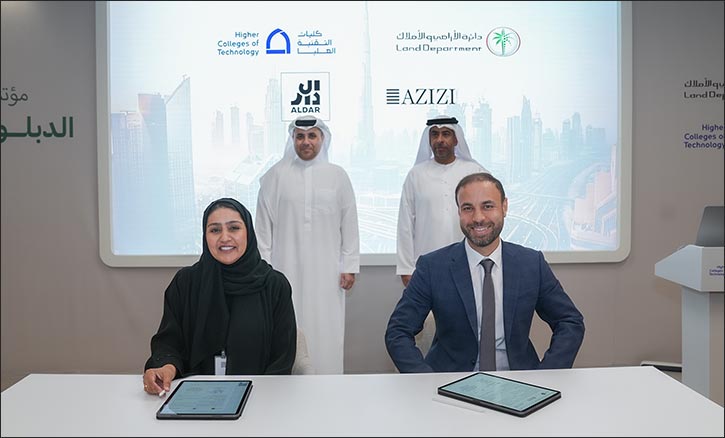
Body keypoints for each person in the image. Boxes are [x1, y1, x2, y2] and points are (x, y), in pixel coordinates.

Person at [385, 172, 585, 372]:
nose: (478, 218)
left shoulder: (531, 264)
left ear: (504, 207)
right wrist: (427, 380)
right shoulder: (432, 267)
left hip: (519, 381)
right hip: (451, 381)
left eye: (488, 206)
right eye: (468, 208)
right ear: (459, 212)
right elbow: (398, 331)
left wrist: (545, 375)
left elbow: (570, 322)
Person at [143, 198, 296, 395]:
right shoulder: (186, 283)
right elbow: (169, 342)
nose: (225, 237)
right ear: (205, 236)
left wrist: (260, 399)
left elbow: (282, 359)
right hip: (195, 396)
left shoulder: (274, 285)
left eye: (234, 228)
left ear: (248, 232)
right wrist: (166, 367)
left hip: (259, 396)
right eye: (215, 230)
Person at [256, 115, 360, 374]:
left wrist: (349, 265)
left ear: (322, 138)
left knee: (327, 331)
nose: (306, 142)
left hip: (328, 274)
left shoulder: (338, 176)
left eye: (312, 135)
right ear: (292, 139)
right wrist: (264, 272)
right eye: (300, 136)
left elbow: (349, 223)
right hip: (284, 271)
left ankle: (329, 386)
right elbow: (263, 230)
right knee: (287, 328)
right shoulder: (274, 176)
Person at [396, 115, 488, 287]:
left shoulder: (475, 172)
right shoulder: (416, 175)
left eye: (446, 134)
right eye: (434, 134)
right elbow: (405, 225)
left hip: (469, 263)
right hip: (426, 265)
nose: (439, 140)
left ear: (456, 139)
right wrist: (406, 268)